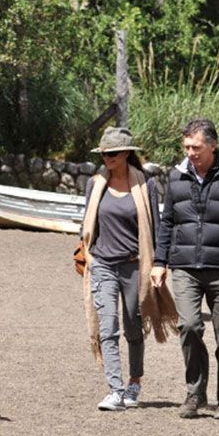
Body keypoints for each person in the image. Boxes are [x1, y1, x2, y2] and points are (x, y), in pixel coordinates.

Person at [150, 118, 219, 420]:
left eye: (196, 147)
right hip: (184, 266)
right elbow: (167, 222)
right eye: (186, 147)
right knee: (188, 327)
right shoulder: (176, 177)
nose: (190, 152)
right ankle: (194, 394)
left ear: (213, 145)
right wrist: (160, 262)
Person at [81, 127, 178, 411]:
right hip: (102, 264)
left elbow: (156, 227)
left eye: (112, 153)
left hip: (136, 265)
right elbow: (87, 222)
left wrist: (159, 263)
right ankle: (115, 389)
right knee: (108, 327)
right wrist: (87, 253)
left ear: (126, 153)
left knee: (134, 327)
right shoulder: (95, 183)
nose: (107, 158)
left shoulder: (145, 185)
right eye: (103, 154)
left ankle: (135, 382)